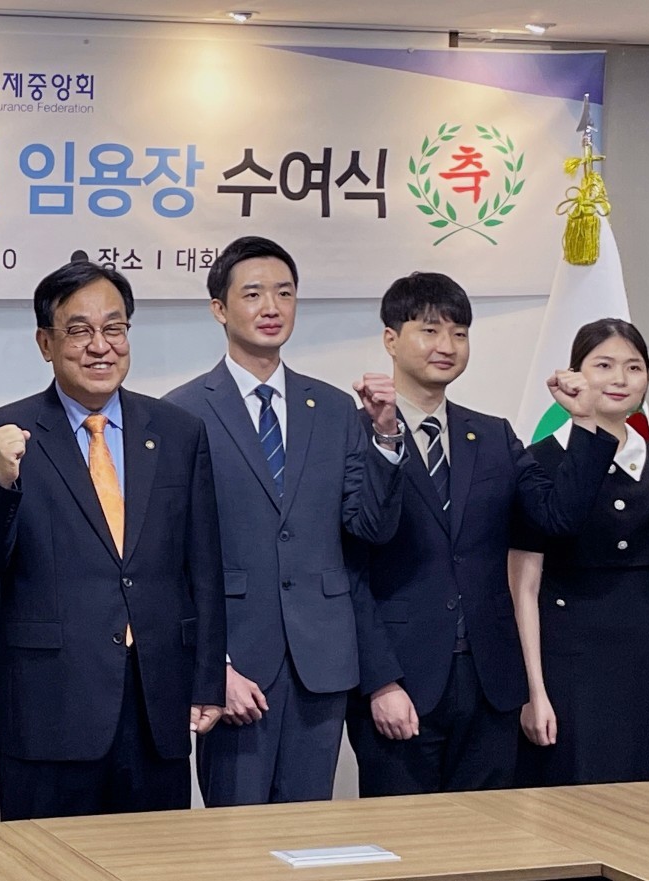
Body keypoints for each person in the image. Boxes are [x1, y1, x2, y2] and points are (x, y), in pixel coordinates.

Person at [0, 259, 226, 821]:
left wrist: (206, 680)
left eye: (115, 328)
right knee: (48, 859)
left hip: (157, 700)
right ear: (45, 343)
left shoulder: (178, 433)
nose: (100, 346)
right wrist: (1, 483)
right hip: (48, 702)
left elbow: (203, 566)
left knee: (154, 858)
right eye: (79, 330)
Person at [348, 272, 616, 796]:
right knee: (404, 836)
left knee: (490, 833)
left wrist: (586, 425)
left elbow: (556, 518)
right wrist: (379, 681)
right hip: (401, 679)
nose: (447, 346)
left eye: (460, 333)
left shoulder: (493, 435)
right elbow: (348, 567)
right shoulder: (352, 433)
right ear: (390, 339)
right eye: (430, 330)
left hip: (490, 679)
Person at [164, 236, 405, 805]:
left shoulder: (335, 408)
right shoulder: (182, 412)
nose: (271, 307)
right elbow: (171, 558)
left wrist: (385, 437)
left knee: (307, 833)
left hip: (321, 661)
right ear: (219, 308)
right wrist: (213, 667)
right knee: (236, 836)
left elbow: (370, 528)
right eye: (253, 294)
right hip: (236, 667)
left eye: (285, 293)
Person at [510, 319, 649, 786]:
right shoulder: (538, 460)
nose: (620, 379)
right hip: (571, 660)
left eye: (634, 367)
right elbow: (523, 587)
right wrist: (533, 691)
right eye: (603, 365)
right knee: (579, 796)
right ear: (574, 374)